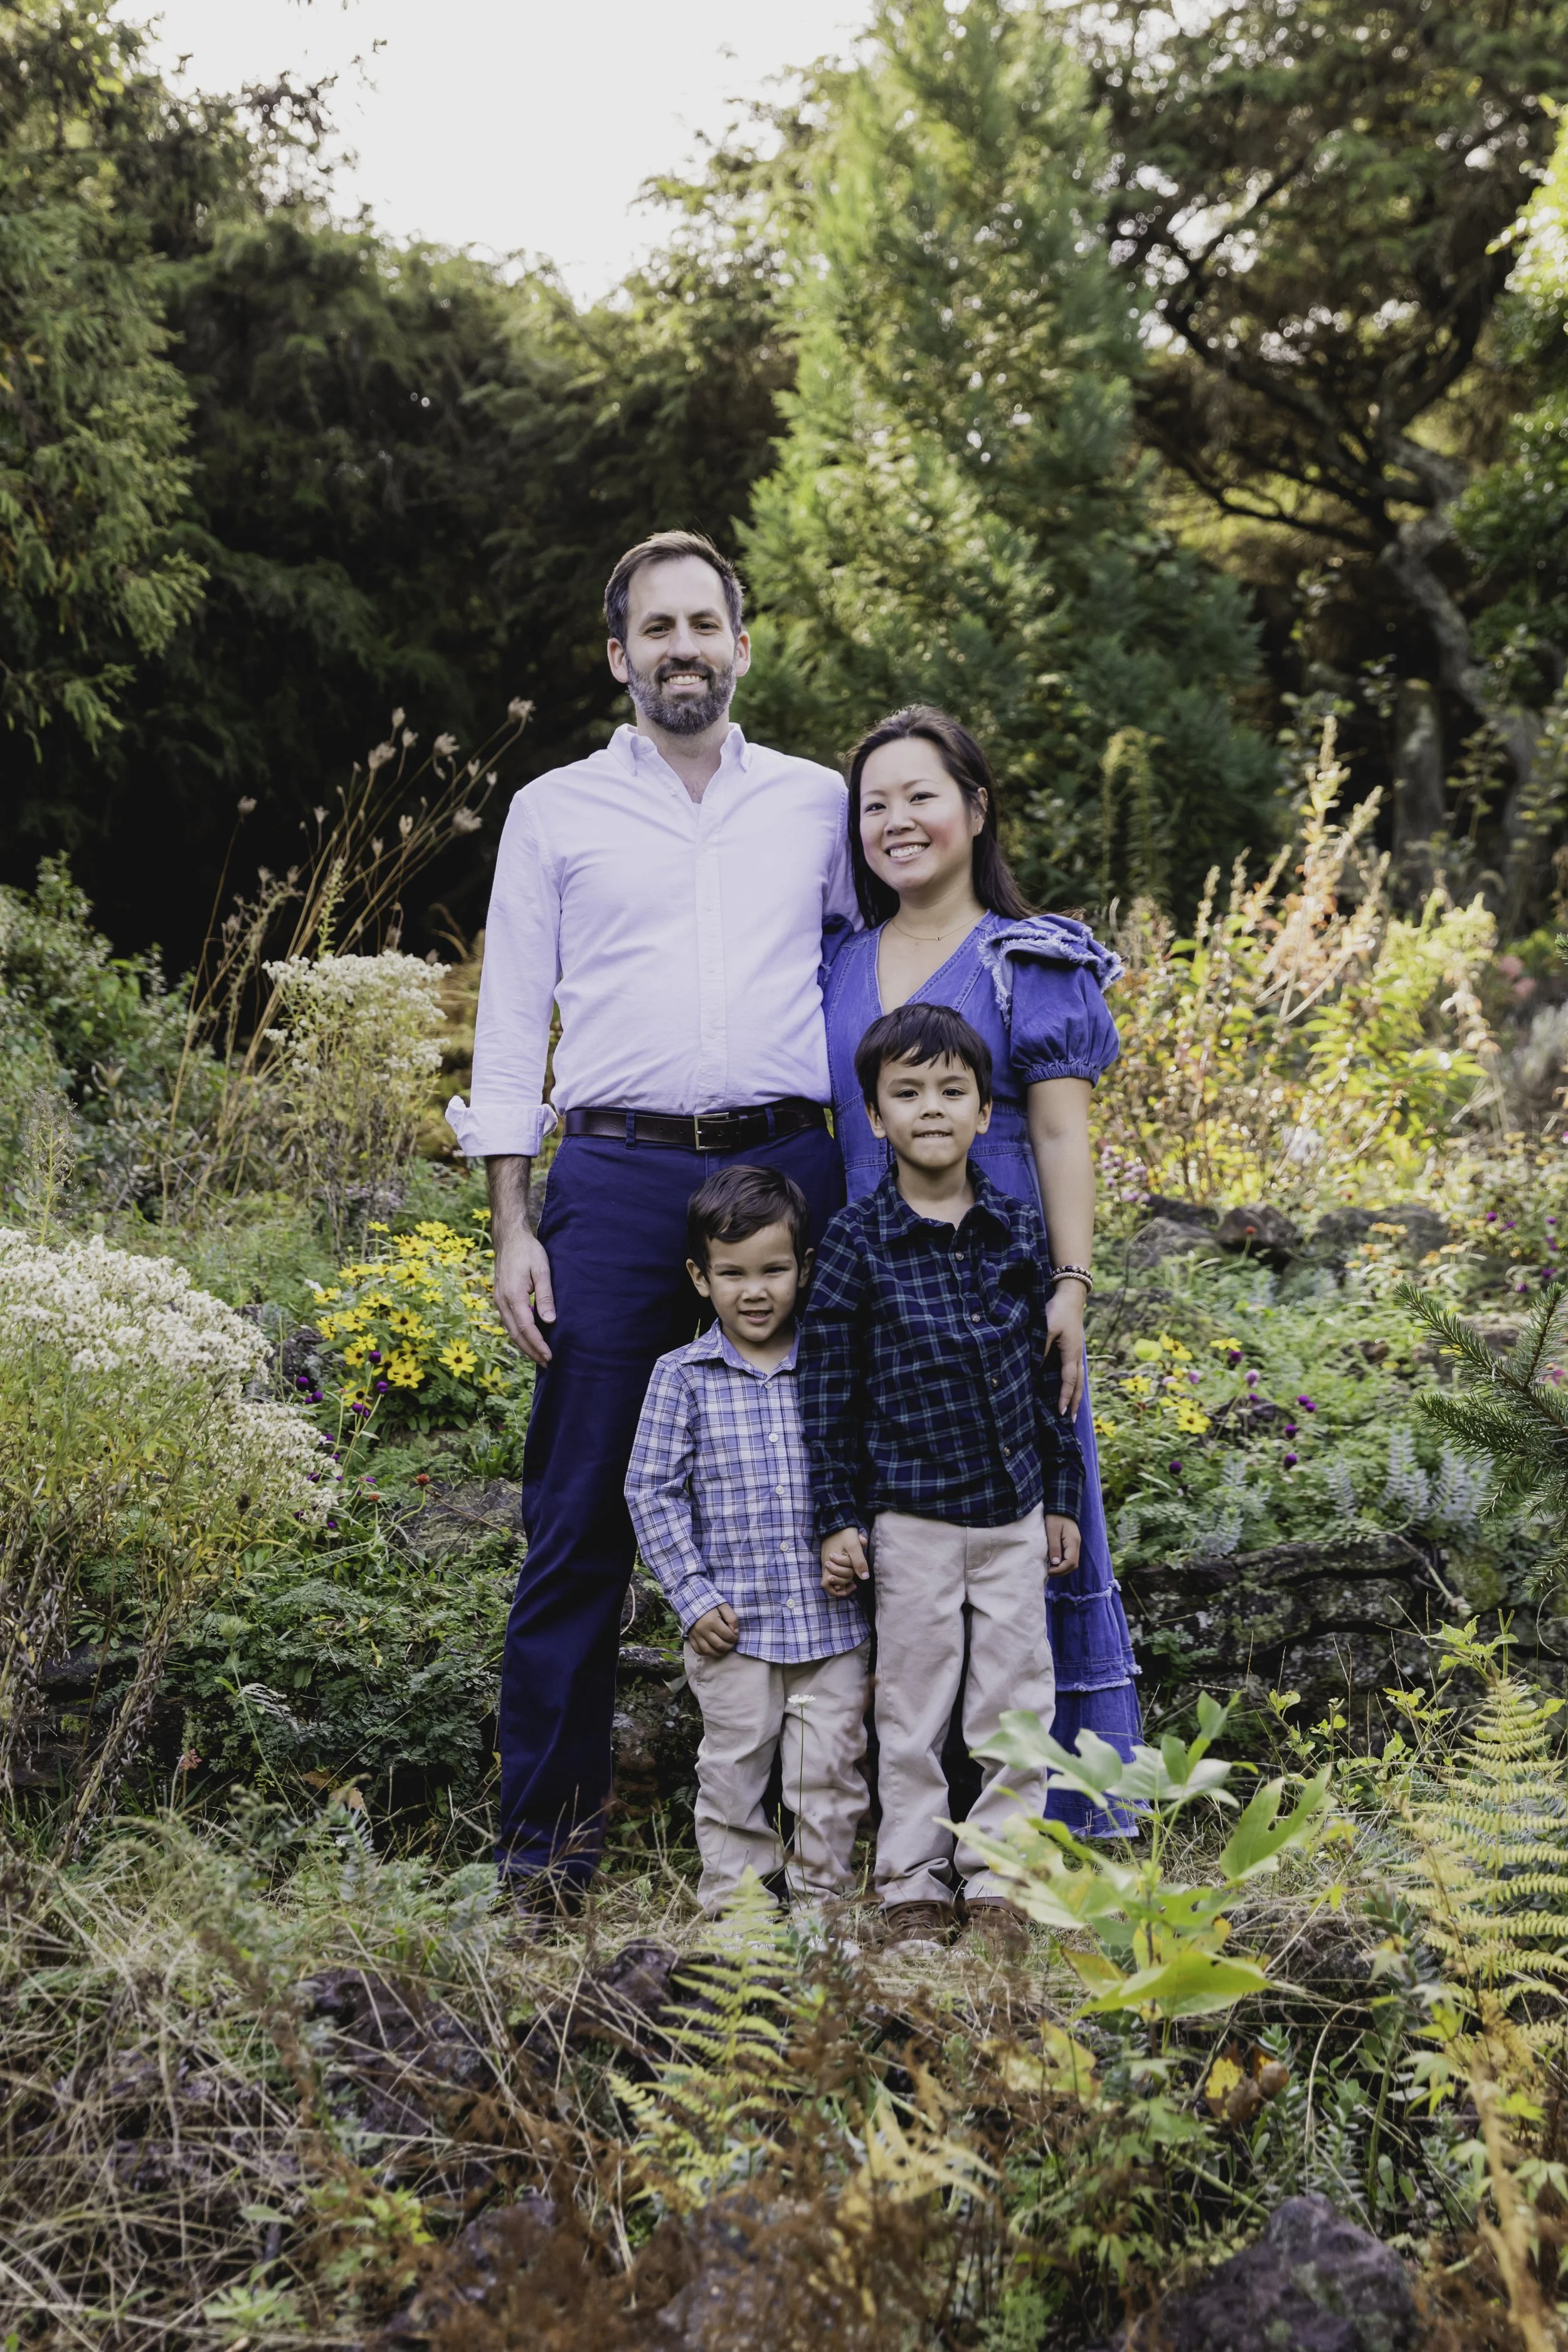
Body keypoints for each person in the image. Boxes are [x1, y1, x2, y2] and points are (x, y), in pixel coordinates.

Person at [446, 529, 857, 1907]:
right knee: (576, 1521)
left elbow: (868, 976)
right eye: (656, 629)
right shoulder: (554, 811)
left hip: (792, 1173)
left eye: (706, 623)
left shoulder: (816, 803)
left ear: (744, 642)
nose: (683, 647)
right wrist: (514, 1224)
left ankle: (846, 1850)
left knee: (838, 1493)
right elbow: (510, 1028)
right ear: (618, 655)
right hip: (614, 1186)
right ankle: (543, 1860)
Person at [819, 704, 1141, 1835]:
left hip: (1003, 1307)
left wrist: (1071, 1285)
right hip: (877, 1309)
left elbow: (1061, 1137)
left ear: (975, 807)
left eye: (921, 796)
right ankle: (908, 1832)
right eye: (875, 804)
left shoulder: (1028, 959)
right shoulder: (836, 962)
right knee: (894, 1566)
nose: (898, 821)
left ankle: (1046, 1823)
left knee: (1025, 1563)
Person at [800, 1003, 1083, 1956]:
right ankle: (913, 1879)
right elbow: (829, 1393)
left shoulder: (1011, 1231)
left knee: (1013, 1702)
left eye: (951, 1091)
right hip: (910, 1519)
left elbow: (1049, 1380)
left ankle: (1003, 1876)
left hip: (1009, 1515)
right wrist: (840, 1515)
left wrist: (1058, 1498)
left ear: (985, 1113)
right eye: (907, 1092)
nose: (931, 1108)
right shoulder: (856, 1242)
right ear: (874, 1117)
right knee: (913, 1705)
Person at [625, 1165, 870, 1918]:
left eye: (773, 1270)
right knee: (731, 1772)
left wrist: (855, 1537)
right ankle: (736, 1916)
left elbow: (867, 1466)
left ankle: (821, 1910)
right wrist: (692, 1598)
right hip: (731, 1629)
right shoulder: (681, 1376)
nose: (754, 1291)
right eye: (732, 1274)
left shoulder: (830, 1369)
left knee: (828, 1774)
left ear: (803, 1269)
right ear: (701, 1278)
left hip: (830, 1626)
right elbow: (650, 1491)